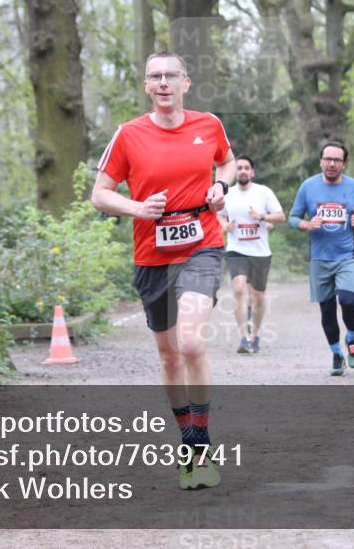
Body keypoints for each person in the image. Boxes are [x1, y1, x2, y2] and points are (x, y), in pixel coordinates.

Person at [91, 51, 235, 490]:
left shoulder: (208, 125)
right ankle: (187, 439)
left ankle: (201, 446)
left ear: (186, 83)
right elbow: (100, 194)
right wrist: (137, 207)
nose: (164, 82)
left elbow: (226, 161)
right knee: (169, 356)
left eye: (171, 75)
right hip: (152, 255)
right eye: (155, 76)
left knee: (191, 342)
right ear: (147, 86)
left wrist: (220, 186)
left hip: (202, 244)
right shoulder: (128, 134)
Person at [288, 141, 354, 376]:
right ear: (320, 161)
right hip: (319, 259)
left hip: (347, 256)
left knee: (347, 300)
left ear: (344, 164)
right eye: (327, 159)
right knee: (327, 310)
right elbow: (293, 217)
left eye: (336, 160)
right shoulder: (308, 187)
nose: (331, 164)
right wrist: (307, 224)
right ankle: (336, 354)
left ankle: (352, 338)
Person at [217, 155, 285, 354]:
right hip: (236, 249)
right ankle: (244, 338)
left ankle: (255, 334)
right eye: (239, 168)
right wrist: (225, 225)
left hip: (260, 252)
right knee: (238, 289)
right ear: (235, 172)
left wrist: (261, 216)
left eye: (247, 168)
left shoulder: (264, 192)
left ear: (252, 172)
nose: (243, 171)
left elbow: (281, 217)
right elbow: (219, 214)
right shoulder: (228, 194)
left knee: (258, 297)